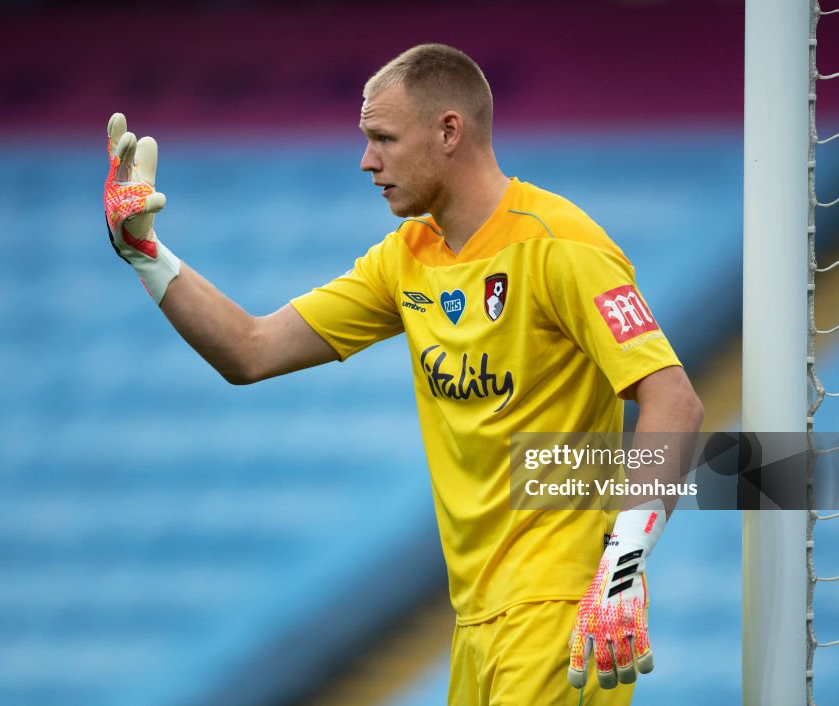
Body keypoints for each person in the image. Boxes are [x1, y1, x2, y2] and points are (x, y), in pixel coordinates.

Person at [103, 43, 703, 706]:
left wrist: (622, 567)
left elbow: (674, 400)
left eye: (382, 138)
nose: (366, 160)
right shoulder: (406, 258)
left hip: (557, 604)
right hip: (475, 622)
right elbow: (251, 349)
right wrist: (147, 255)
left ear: (449, 131)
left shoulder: (561, 244)